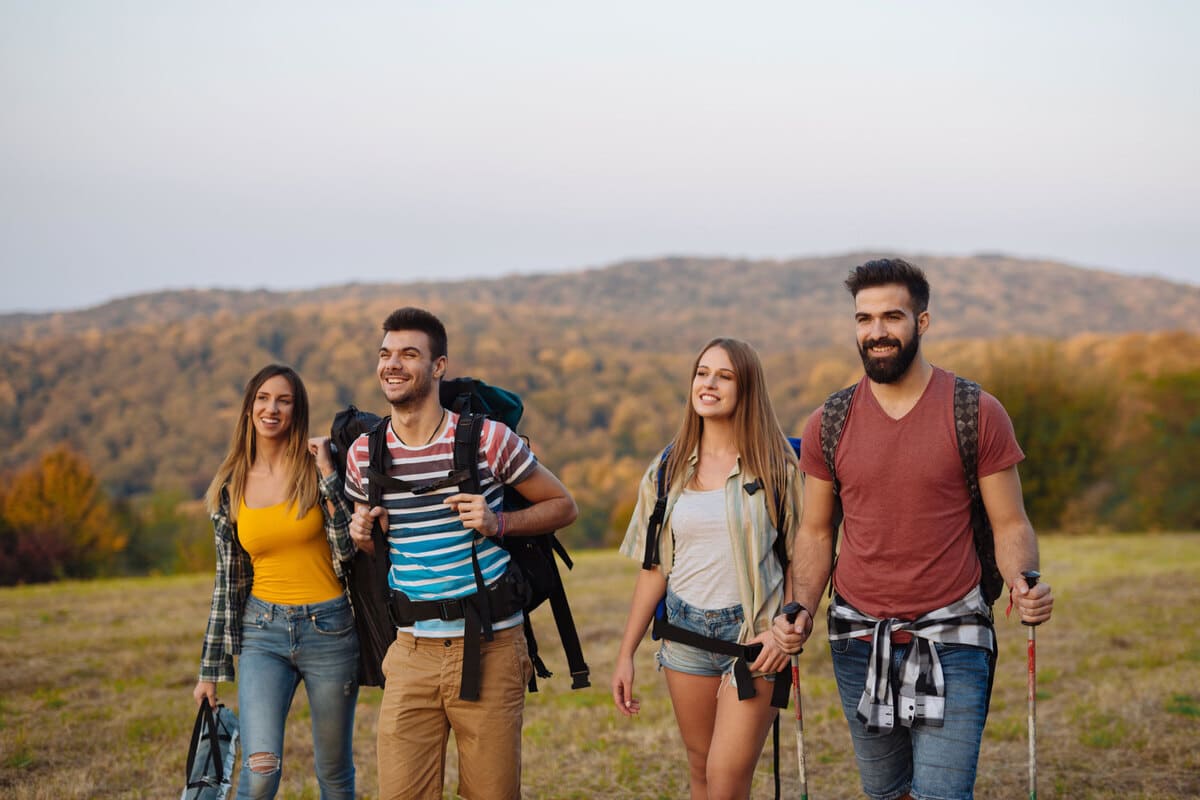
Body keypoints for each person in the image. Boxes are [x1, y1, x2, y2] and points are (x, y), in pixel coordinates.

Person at [774, 258, 1055, 800]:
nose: (876, 331)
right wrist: (801, 608)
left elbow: (1010, 521)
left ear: (921, 322)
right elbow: (814, 533)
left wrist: (1024, 579)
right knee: (886, 793)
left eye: (892, 316)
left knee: (942, 794)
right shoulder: (828, 423)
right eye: (864, 319)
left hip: (954, 633)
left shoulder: (976, 411)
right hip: (858, 636)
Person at [343, 306, 578, 800]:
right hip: (408, 651)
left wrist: (500, 522)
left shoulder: (488, 440)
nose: (393, 364)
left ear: (439, 365)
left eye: (409, 354)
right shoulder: (364, 455)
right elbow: (369, 544)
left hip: (490, 646)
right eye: (385, 354)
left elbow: (563, 505)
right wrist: (361, 532)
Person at [611, 337, 802, 800]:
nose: (709, 383)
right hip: (685, 638)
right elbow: (654, 569)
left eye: (725, 375)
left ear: (747, 388)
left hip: (754, 641)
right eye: (702, 372)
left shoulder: (778, 468)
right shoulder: (666, 468)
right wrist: (626, 652)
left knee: (725, 779)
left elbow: (804, 557)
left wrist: (786, 628)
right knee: (700, 770)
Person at [194, 364, 358, 800]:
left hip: (331, 630)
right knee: (260, 771)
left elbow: (349, 548)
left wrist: (327, 474)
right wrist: (210, 672)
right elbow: (226, 582)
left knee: (335, 773)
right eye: (263, 398)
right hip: (261, 632)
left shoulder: (317, 466)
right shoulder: (229, 486)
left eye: (283, 400)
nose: (272, 408)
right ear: (249, 408)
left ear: (296, 411)